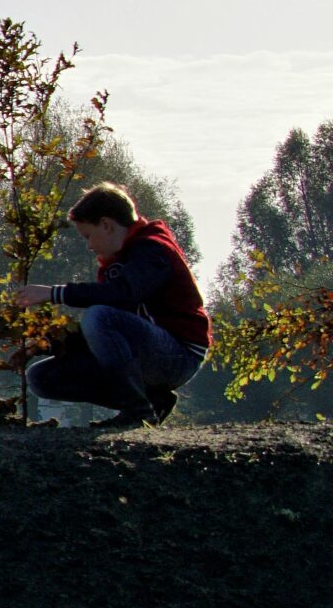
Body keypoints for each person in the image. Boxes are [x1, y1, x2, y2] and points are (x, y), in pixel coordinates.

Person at [14, 182, 208, 428]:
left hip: (178, 355)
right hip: (146, 351)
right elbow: (111, 338)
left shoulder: (152, 249)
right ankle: (151, 401)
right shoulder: (115, 265)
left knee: (99, 316)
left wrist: (55, 293)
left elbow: (124, 295)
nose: (90, 245)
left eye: (89, 236)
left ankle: (137, 411)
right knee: (41, 377)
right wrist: (48, 343)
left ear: (106, 225)